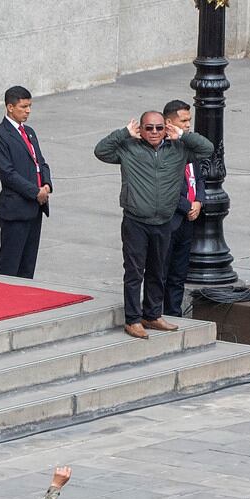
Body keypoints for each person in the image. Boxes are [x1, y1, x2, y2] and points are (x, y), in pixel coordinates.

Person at [92, 112, 213, 339]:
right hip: (136, 221)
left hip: (164, 221)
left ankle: (152, 314)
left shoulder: (179, 150)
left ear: (166, 128)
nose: (155, 132)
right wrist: (123, 133)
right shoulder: (129, 147)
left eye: (159, 128)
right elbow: (100, 151)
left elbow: (207, 149)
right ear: (141, 129)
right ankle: (133, 319)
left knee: (158, 270)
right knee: (135, 271)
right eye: (149, 128)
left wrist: (184, 136)